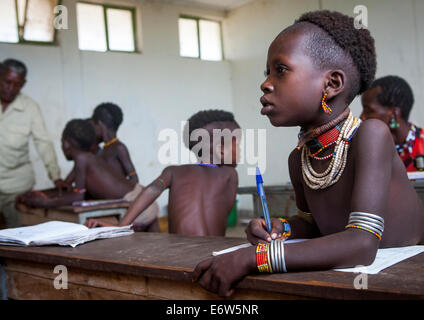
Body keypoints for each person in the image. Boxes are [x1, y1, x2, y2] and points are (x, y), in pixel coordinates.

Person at [192, 10, 424, 297]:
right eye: (267, 73)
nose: (266, 83)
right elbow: (315, 226)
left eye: (281, 69)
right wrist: (280, 229)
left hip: (407, 278)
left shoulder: (370, 135)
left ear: (332, 84)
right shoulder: (299, 158)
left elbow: (362, 244)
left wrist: (254, 258)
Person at [86, 109, 240, 236]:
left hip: (178, 255)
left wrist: (120, 226)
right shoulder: (229, 174)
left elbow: (152, 189)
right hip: (212, 255)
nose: (239, 151)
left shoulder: (174, 172)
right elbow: (223, 213)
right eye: (237, 144)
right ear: (221, 149)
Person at [18, 119, 159, 230]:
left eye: (61, 141)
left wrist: (45, 203)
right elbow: (70, 189)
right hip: (143, 198)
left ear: (66, 143)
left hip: (137, 206)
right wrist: (39, 194)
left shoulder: (82, 159)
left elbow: (78, 195)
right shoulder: (88, 158)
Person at [0, 59, 65, 228]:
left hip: (16, 187)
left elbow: (43, 142)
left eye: (17, 85)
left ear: (24, 84)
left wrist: (56, 176)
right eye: (7, 82)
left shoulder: (30, 108)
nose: (11, 88)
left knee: (14, 237)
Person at [360, 75, 423, 171]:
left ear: (393, 115)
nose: (361, 117)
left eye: (369, 110)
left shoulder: (422, 146)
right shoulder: (366, 149)